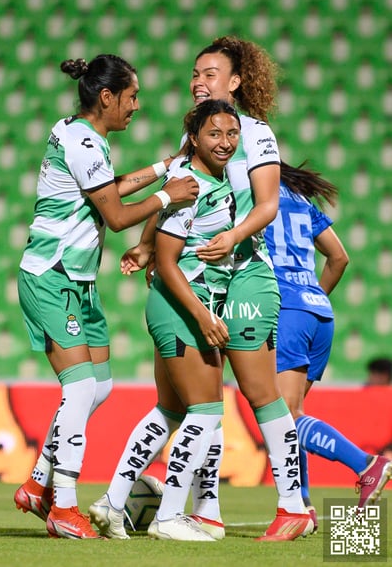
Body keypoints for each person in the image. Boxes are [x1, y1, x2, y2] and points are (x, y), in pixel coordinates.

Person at [97, 36, 313, 542]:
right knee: (200, 399)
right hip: (202, 278)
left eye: (210, 73)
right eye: (195, 73)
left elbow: (266, 206)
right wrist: (149, 245)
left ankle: (291, 506)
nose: (198, 80)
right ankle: (204, 507)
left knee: (258, 395)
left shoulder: (254, 134)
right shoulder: (196, 137)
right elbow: (176, 189)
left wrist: (231, 239)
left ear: (235, 81)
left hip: (244, 272)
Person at [13, 54, 199, 540]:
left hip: (78, 281)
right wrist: (167, 195)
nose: (136, 106)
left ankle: (37, 482)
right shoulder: (82, 142)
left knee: (99, 386)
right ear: (107, 97)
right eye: (132, 96)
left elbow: (107, 190)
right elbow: (116, 216)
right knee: (78, 388)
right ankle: (63, 507)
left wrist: (162, 168)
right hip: (52, 276)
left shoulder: (80, 134)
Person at [90, 99, 241, 542]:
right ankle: (169, 515)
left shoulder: (204, 180)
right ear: (193, 138)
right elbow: (171, 262)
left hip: (176, 306)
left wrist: (144, 245)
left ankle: (113, 503)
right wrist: (203, 315)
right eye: (214, 134)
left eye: (231, 134)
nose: (225, 142)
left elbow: (162, 236)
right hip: (181, 307)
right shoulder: (192, 182)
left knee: (170, 410)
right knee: (207, 409)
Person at [265, 161, 392, 529]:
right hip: (318, 312)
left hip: (286, 307)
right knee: (291, 414)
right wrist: (311, 299)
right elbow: (339, 258)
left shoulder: (255, 196)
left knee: (285, 418)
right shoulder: (301, 200)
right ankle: (302, 505)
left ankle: (367, 464)